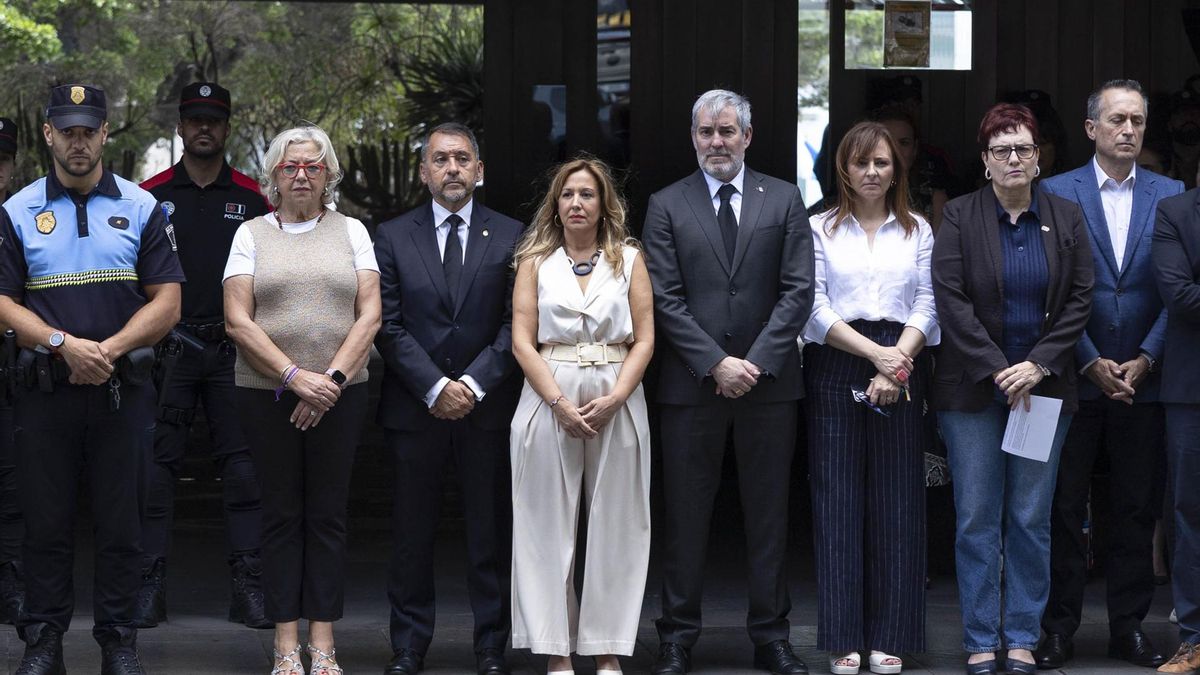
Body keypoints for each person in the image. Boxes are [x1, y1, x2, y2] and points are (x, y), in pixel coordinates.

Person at [0, 84, 185, 675]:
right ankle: (44, 643)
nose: (78, 143)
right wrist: (62, 345)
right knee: (44, 523)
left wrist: (107, 350)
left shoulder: (141, 206)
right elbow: (2, 302)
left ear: (105, 134)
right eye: (67, 132)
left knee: (122, 524)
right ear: (48, 135)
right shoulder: (17, 210)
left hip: (121, 391)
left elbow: (168, 301)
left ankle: (119, 643)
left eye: (88, 131)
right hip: (44, 393)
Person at [643, 89, 815, 675]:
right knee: (685, 516)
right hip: (691, 387)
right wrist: (717, 363)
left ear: (747, 136)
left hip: (770, 387)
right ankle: (676, 637)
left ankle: (772, 636)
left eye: (727, 131)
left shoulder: (784, 198)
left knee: (769, 516)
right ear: (693, 137)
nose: (716, 142)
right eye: (706, 132)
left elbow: (798, 291)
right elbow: (663, 298)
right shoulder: (666, 204)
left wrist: (755, 363)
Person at [931, 102, 1093, 675]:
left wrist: (1038, 366)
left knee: (1029, 517)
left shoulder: (1066, 216)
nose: (1014, 159)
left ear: (1039, 157)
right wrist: (1001, 368)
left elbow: (1080, 299)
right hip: (974, 393)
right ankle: (981, 637)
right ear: (985, 160)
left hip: (1042, 393)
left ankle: (1021, 635)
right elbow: (949, 297)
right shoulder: (959, 216)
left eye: (1024, 148)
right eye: (1001, 150)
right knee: (977, 517)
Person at [1035, 79, 1183, 671]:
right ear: (1091, 127)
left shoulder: (1170, 193)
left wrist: (1148, 357)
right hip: (1071, 377)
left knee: (1135, 508)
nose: (1128, 130)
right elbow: (1048, 289)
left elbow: (1179, 290)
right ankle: (1057, 629)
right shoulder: (1054, 191)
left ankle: (1129, 627)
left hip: (1145, 379)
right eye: (1117, 119)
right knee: (1062, 507)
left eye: (1138, 121)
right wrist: (1088, 359)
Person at [223, 125, 380, 675]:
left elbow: (370, 315)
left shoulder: (353, 231)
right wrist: (294, 377)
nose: (302, 175)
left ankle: (324, 641)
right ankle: (285, 642)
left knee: (328, 516)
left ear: (328, 174)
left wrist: (328, 382)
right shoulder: (249, 235)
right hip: (266, 393)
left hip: (341, 394)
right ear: (273, 175)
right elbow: (237, 320)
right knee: (281, 515)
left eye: (313, 166)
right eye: (290, 167)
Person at [373, 122, 523, 675]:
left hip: (488, 408)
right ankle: (409, 645)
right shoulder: (392, 236)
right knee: (412, 536)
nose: (452, 168)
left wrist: (474, 385)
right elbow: (387, 324)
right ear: (423, 172)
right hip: (416, 409)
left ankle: (491, 646)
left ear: (479, 170)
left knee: (490, 532)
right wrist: (437, 387)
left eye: (462, 159)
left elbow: (516, 322)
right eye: (440, 159)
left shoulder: (512, 234)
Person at [802, 121, 938, 675]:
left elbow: (928, 304)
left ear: (896, 169)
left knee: (897, 501)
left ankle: (891, 636)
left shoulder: (918, 229)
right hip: (838, 357)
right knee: (837, 501)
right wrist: (876, 356)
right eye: (862, 163)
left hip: (903, 357)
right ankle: (843, 638)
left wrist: (896, 362)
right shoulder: (819, 228)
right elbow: (813, 307)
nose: (873, 172)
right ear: (844, 169)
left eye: (882, 162)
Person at [508, 157, 652, 674]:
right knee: (545, 524)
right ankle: (557, 650)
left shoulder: (629, 259)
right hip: (550, 391)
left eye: (587, 194)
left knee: (619, 521)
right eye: (567, 194)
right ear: (555, 204)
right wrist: (558, 404)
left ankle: (606, 647)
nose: (576, 203)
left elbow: (645, 338)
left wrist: (617, 397)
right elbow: (522, 341)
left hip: (617, 391)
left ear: (603, 203)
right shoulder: (535, 262)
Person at [136, 81, 272, 630]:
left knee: (244, 471)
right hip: (167, 352)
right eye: (195, 119)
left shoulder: (254, 199)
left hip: (233, 350)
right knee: (155, 470)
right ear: (180, 126)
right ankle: (148, 585)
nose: (204, 128)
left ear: (227, 127)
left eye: (213, 119)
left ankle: (249, 586)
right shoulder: (147, 196)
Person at [1152, 175, 1200, 674]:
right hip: (1192, 392)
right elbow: (1180, 296)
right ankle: (1195, 639)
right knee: (1190, 516)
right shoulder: (1176, 211)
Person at [0, 114, 25, 627]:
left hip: (9, 371)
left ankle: (12, 586)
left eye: (2, 159)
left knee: (12, 486)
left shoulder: (23, 217)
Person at [872, 105, 949, 232]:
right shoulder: (854, 197)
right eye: (887, 141)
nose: (895, 150)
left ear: (915, 149)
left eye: (904, 143)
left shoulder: (935, 200)